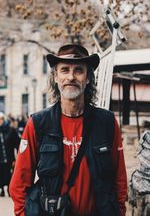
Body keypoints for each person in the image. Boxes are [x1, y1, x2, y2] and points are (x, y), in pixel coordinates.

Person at [9, 44, 127, 216]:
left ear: (87, 78)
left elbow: (120, 180)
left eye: (78, 70)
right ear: (56, 77)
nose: (71, 77)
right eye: (64, 70)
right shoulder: (38, 123)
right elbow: (19, 184)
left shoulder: (107, 123)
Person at [0, 112, 20, 197]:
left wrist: (17, 159)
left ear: (2, 119)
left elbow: (18, 144)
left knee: (9, 175)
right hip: (0, 158)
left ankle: (9, 189)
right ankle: (2, 190)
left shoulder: (11, 130)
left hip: (9, 158)